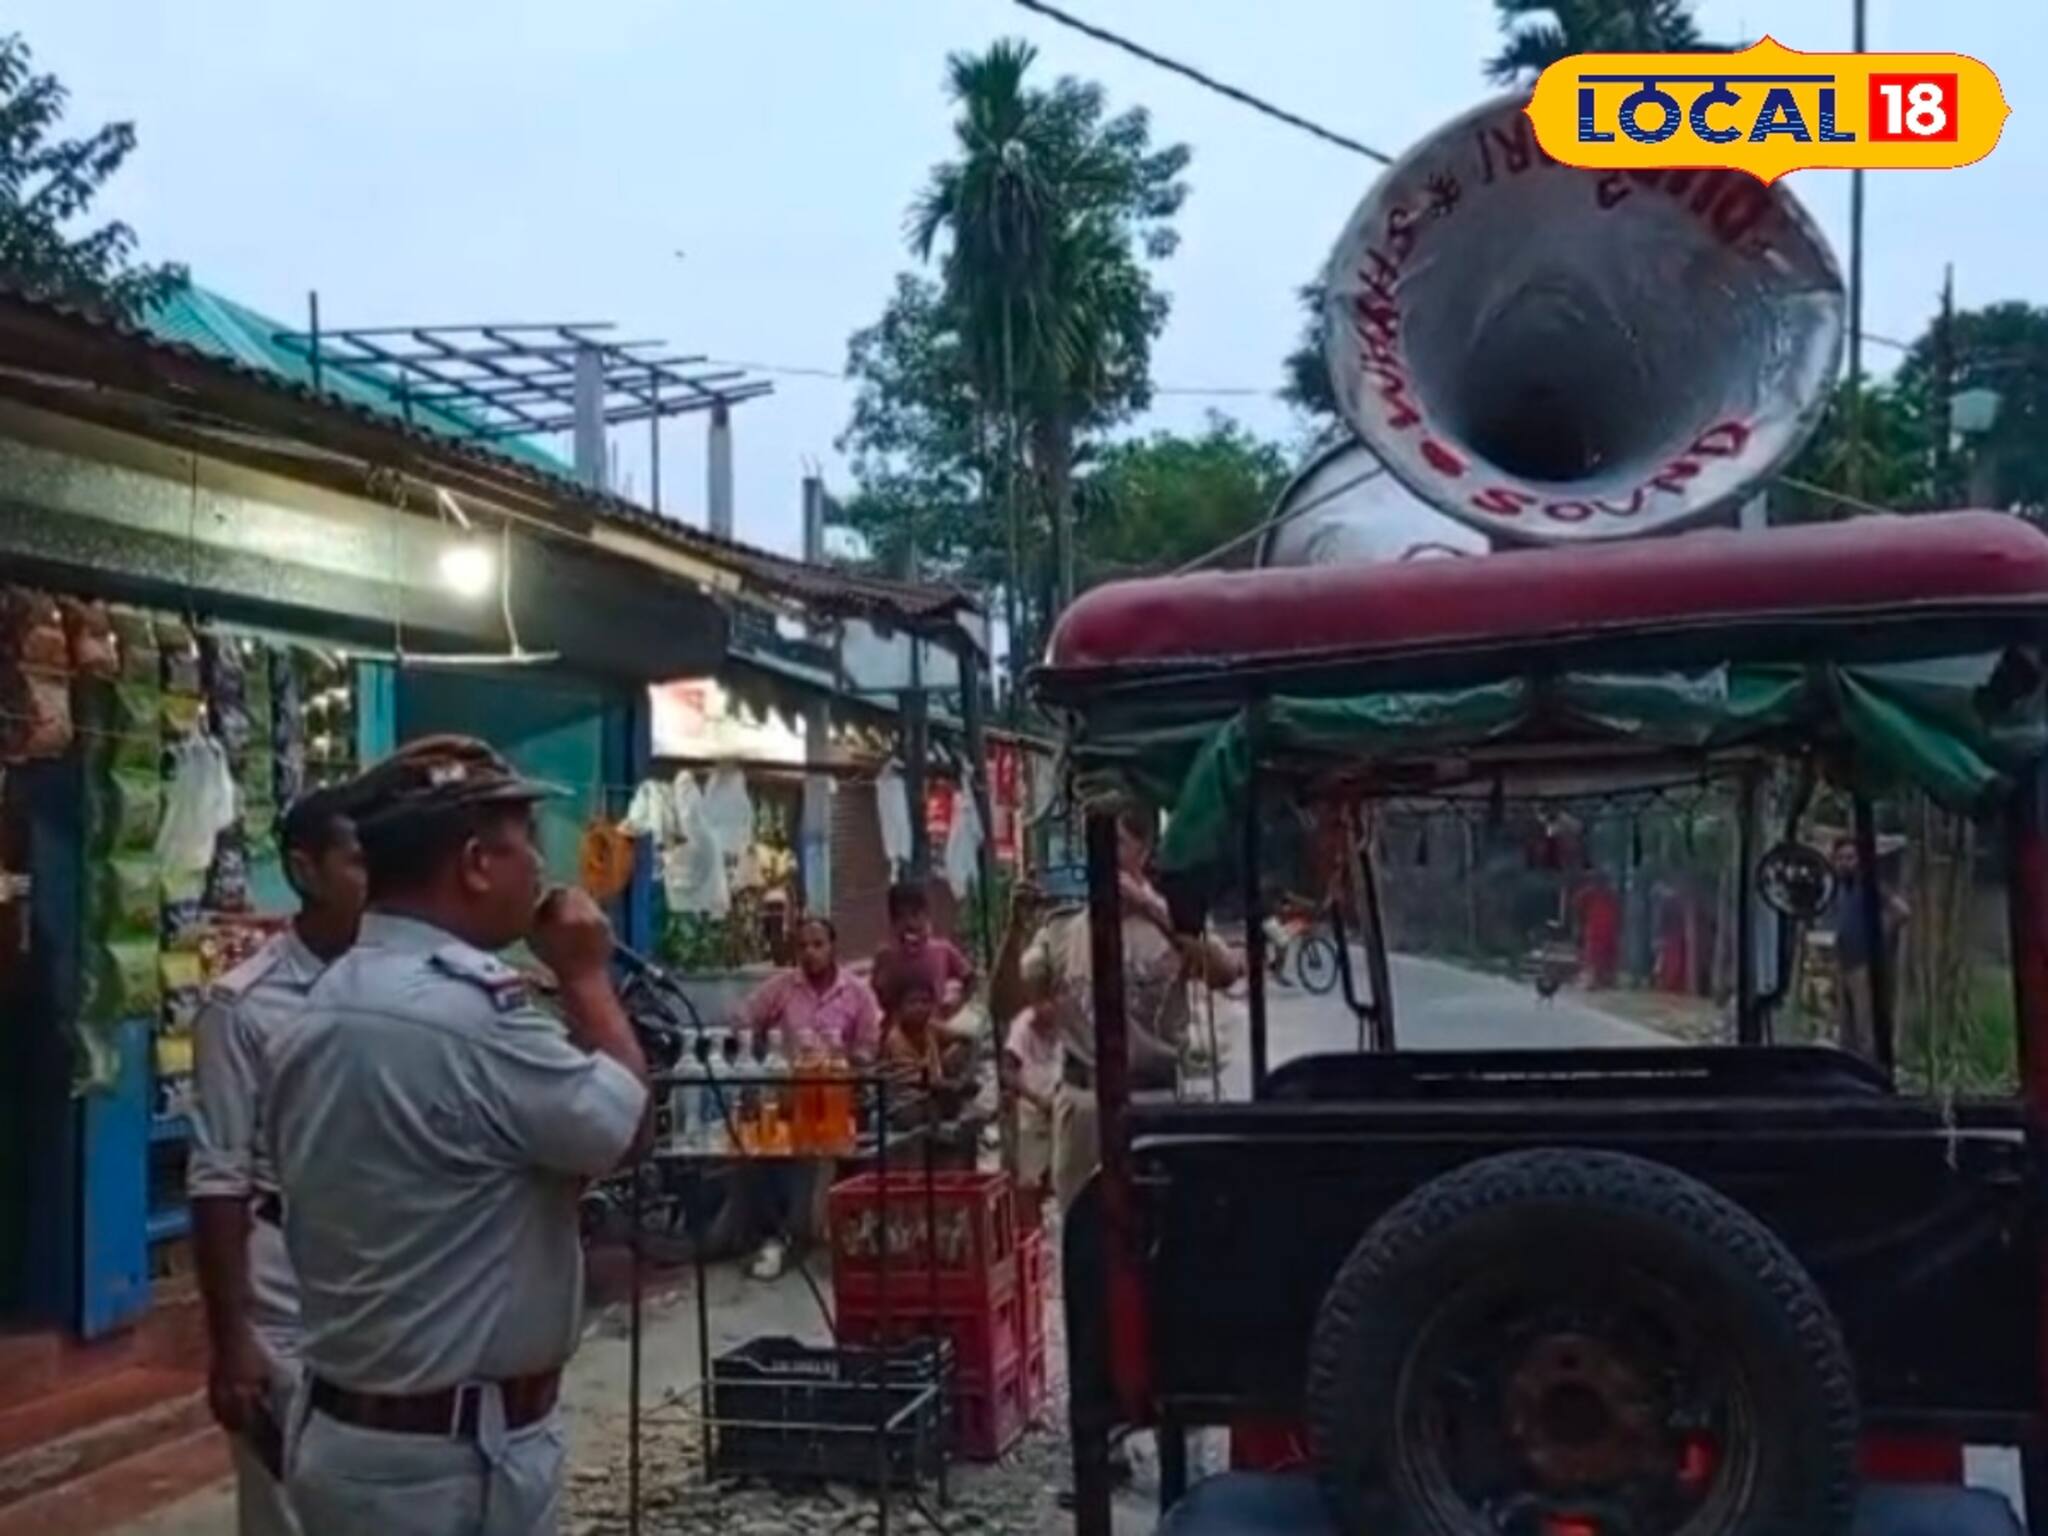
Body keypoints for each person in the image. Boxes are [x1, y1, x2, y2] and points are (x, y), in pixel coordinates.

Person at [267, 736, 650, 1536]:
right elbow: (624, 1126)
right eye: (527, 846)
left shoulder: (321, 1001)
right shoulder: (469, 1017)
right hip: (447, 1462)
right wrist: (585, 975)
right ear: (476, 864)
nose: (541, 870)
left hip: (353, 1433)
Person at [188, 785, 367, 1536]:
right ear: (305, 870)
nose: (376, 879)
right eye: (358, 861)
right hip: (286, 1289)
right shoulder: (245, 1006)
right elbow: (219, 1177)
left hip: (388, 1289)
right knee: (288, 1506)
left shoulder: (408, 988)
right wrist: (232, 1342)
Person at [1035, 809, 1243, 1211]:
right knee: (1081, 1222)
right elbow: (1017, 994)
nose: (1105, 856)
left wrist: (1149, 906)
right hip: (1083, 1104)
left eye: (1117, 843)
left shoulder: (1172, 922)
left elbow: (1225, 971)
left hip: (1150, 1098)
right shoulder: (1065, 929)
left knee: (1153, 1217)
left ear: (1143, 851)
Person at [731, 915, 880, 1281]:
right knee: (753, 1143)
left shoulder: (856, 993)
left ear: (833, 948)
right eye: (803, 946)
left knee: (813, 1151)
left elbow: (869, 1047)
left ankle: (792, 1236)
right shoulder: (783, 987)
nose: (810, 953)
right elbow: (742, 1018)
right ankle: (765, 1233)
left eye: (818, 945)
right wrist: (761, 1051)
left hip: (835, 1100)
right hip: (786, 1095)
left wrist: (845, 1058)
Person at [880, 968, 983, 1166]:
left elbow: (969, 1038)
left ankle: (963, 1168)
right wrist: (953, 1085)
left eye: (925, 1002)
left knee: (972, 1119)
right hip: (905, 1102)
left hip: (935, 1094)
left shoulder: (931, 1027)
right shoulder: (896, 1039)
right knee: (922, 1119)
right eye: (913, 1003)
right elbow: (917, 1081)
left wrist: (963, 1070)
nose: (920, 1008)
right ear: (899, 1009)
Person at [1832, 836, 1910, 1060]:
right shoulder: (1839, 889)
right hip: (1843, 964)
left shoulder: (1870, 887)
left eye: (1850, 858)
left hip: (1863, 965)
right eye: (1840, 858)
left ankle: (1870, 1070)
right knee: (1845, 1032)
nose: (1845, 863)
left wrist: (1880, 935)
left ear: (1859, 860)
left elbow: (1903, 911)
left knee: (1865, 1029)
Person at [1000, 945, 1063, 1214]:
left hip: (1060, 1104)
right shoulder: (1022, 1027)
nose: (1046, 1007)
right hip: (1032, 1108)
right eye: (1040, 1000)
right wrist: (1035, 1098)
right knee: (1029, 1177)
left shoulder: (1069, 1024)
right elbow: (1008, 1071)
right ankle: (1030, 1223)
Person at [872, 881, 977, 1035]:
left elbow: (971, 979)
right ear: (892, 923)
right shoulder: (885, 956)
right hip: (897, 1033)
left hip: (934, 1029)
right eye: (901, 917)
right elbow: (880, 997)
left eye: (915, 915)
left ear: (926, 916)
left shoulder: (942, 950)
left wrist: (956, 1006)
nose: (909, 923)